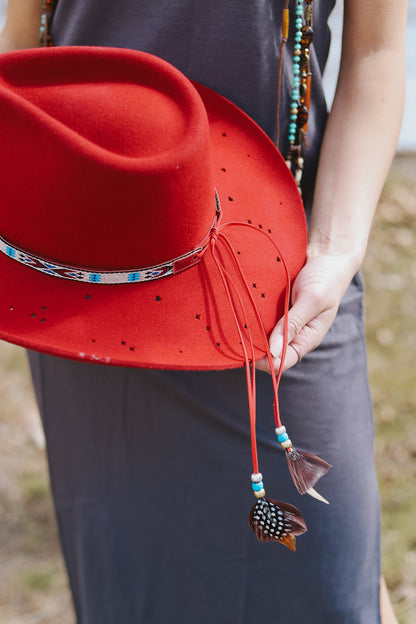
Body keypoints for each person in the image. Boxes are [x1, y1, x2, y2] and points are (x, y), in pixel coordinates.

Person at [0, 1, 406, 622]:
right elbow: (24, 40)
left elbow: (375, 53)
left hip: (281, 285)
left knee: (330, 579)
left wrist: (334, 252)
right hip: (88, 284)